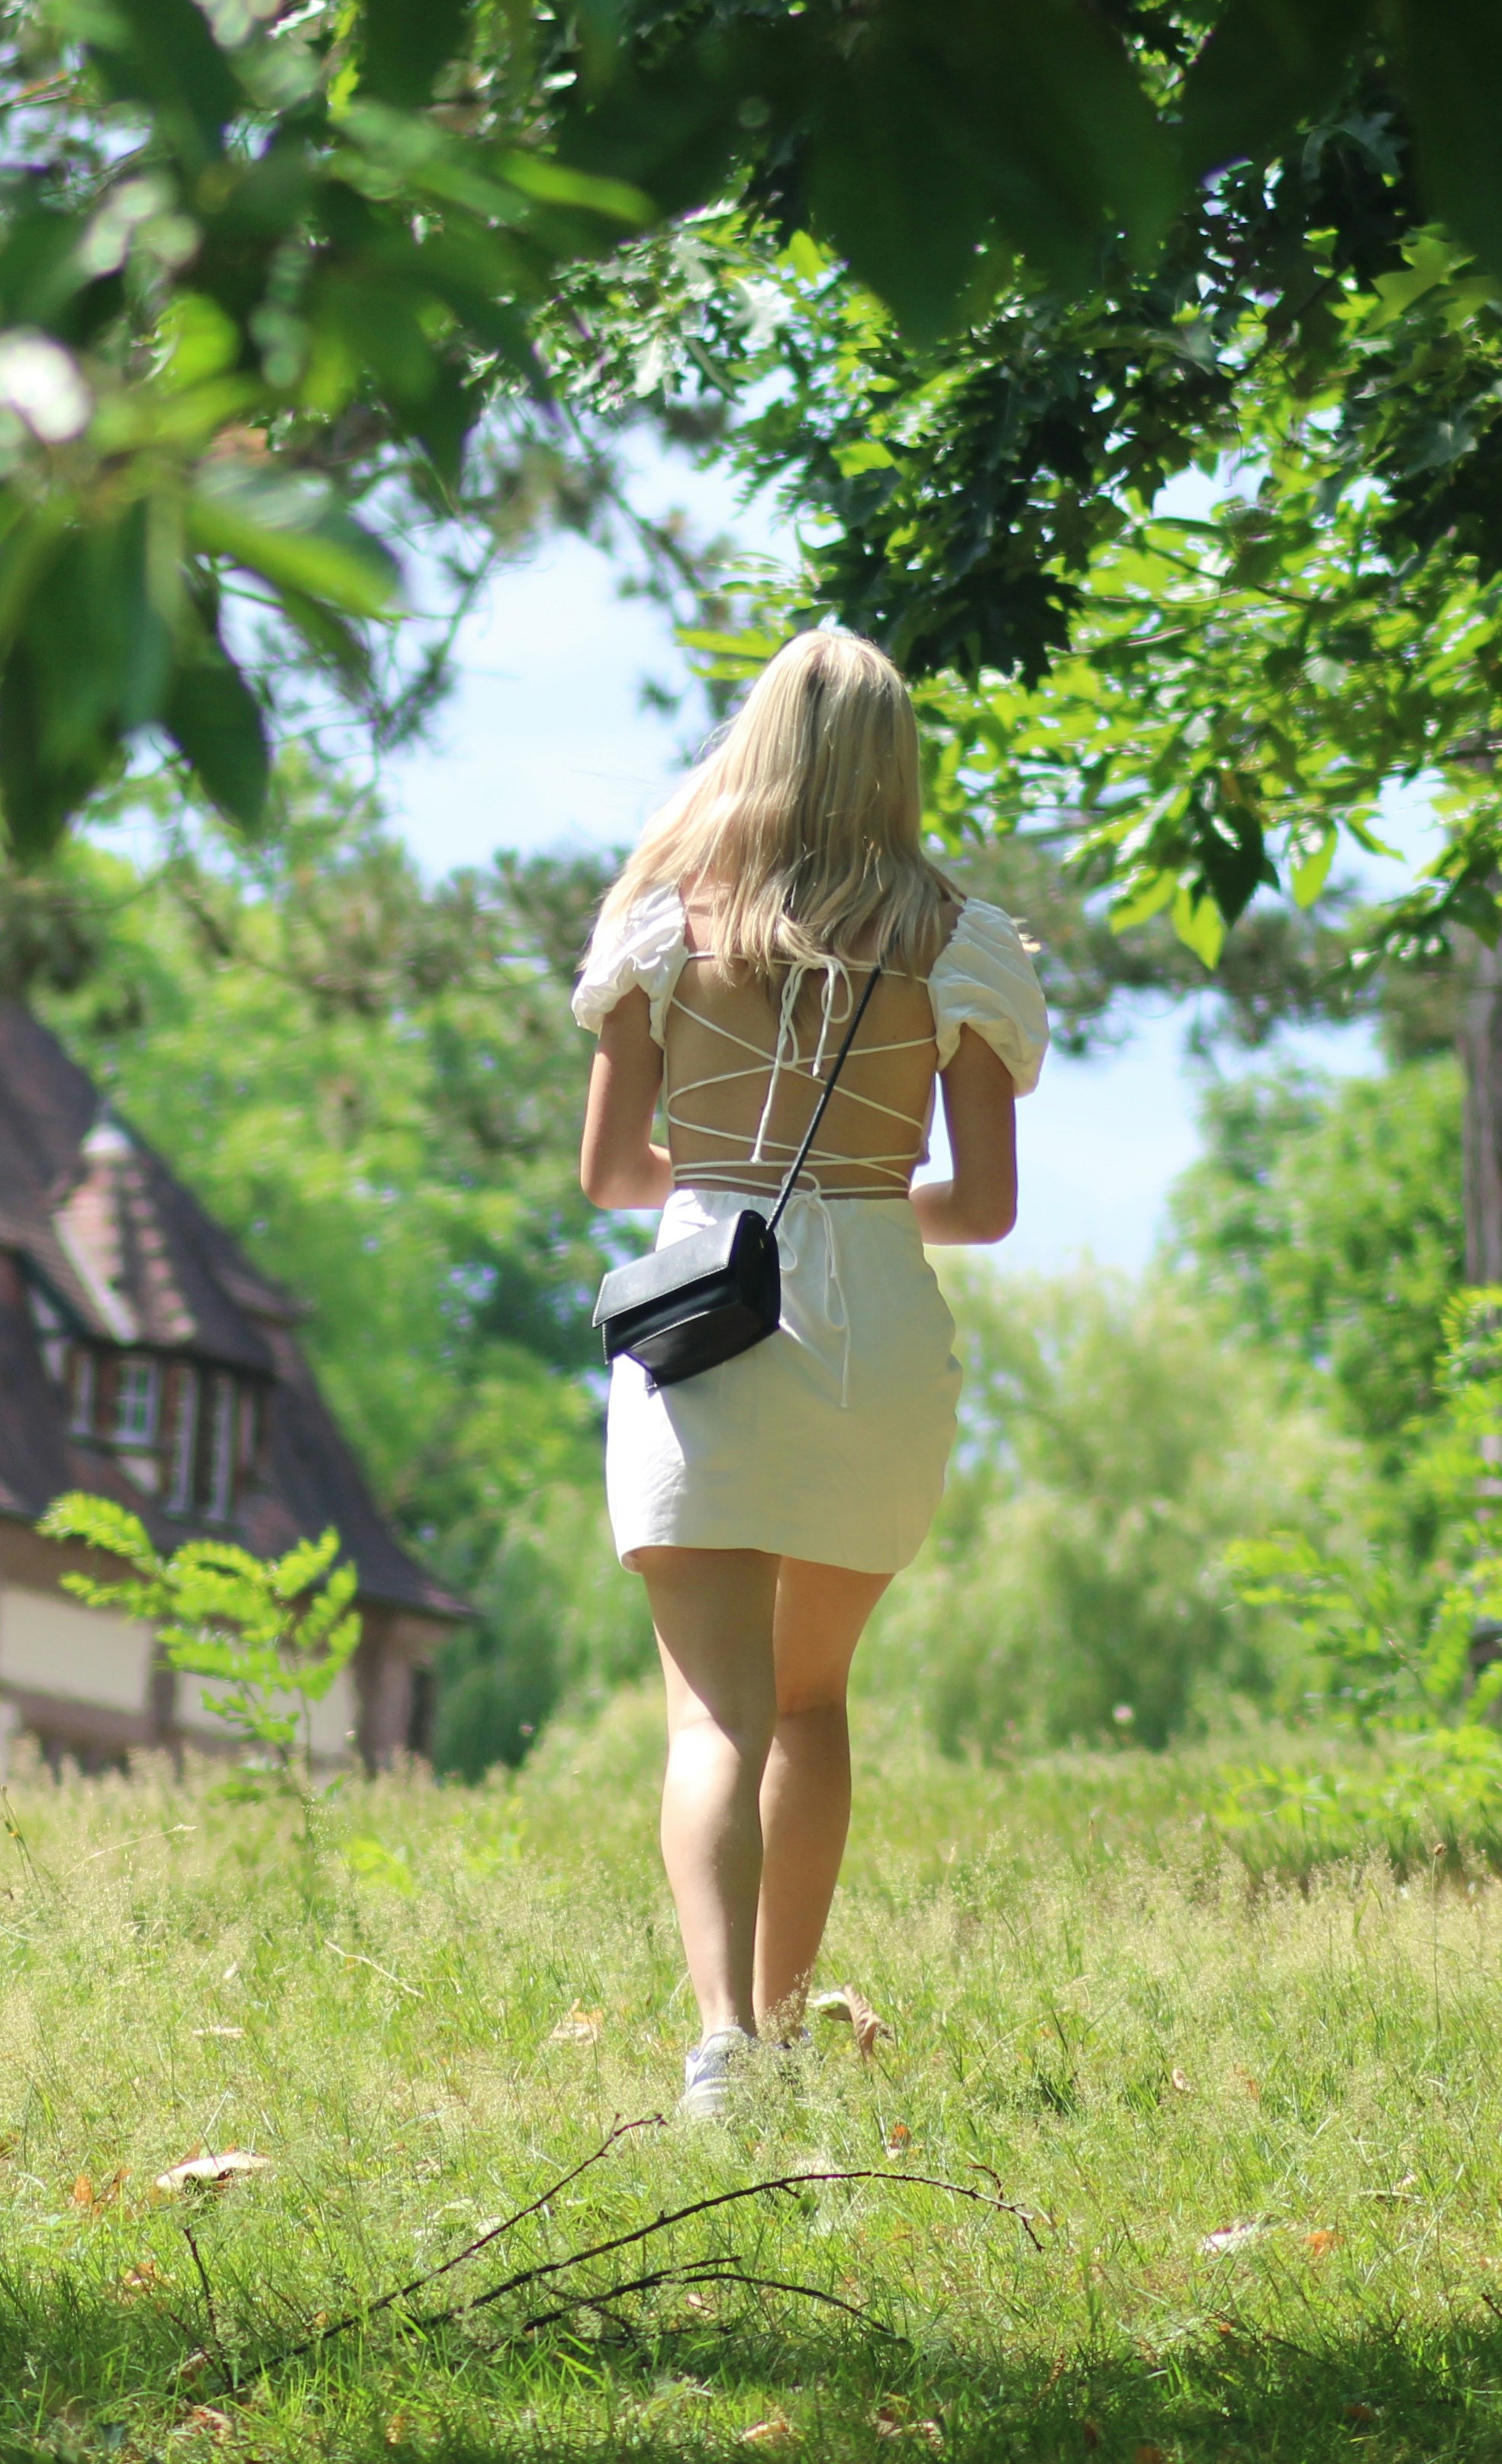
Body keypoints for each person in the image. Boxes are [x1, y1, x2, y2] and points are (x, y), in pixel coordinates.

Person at [571, 628, 1048, 2123]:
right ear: (897, 760)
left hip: (703, 1304)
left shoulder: (663, 926)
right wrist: (846, 1201)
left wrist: (742, 1189)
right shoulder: (965, 943)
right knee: (812, 1698)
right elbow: (982, 1207)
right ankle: (774, 2033)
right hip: (876, 1331)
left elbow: (606, 1174)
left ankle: (718, 2046)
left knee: (712, 1713)